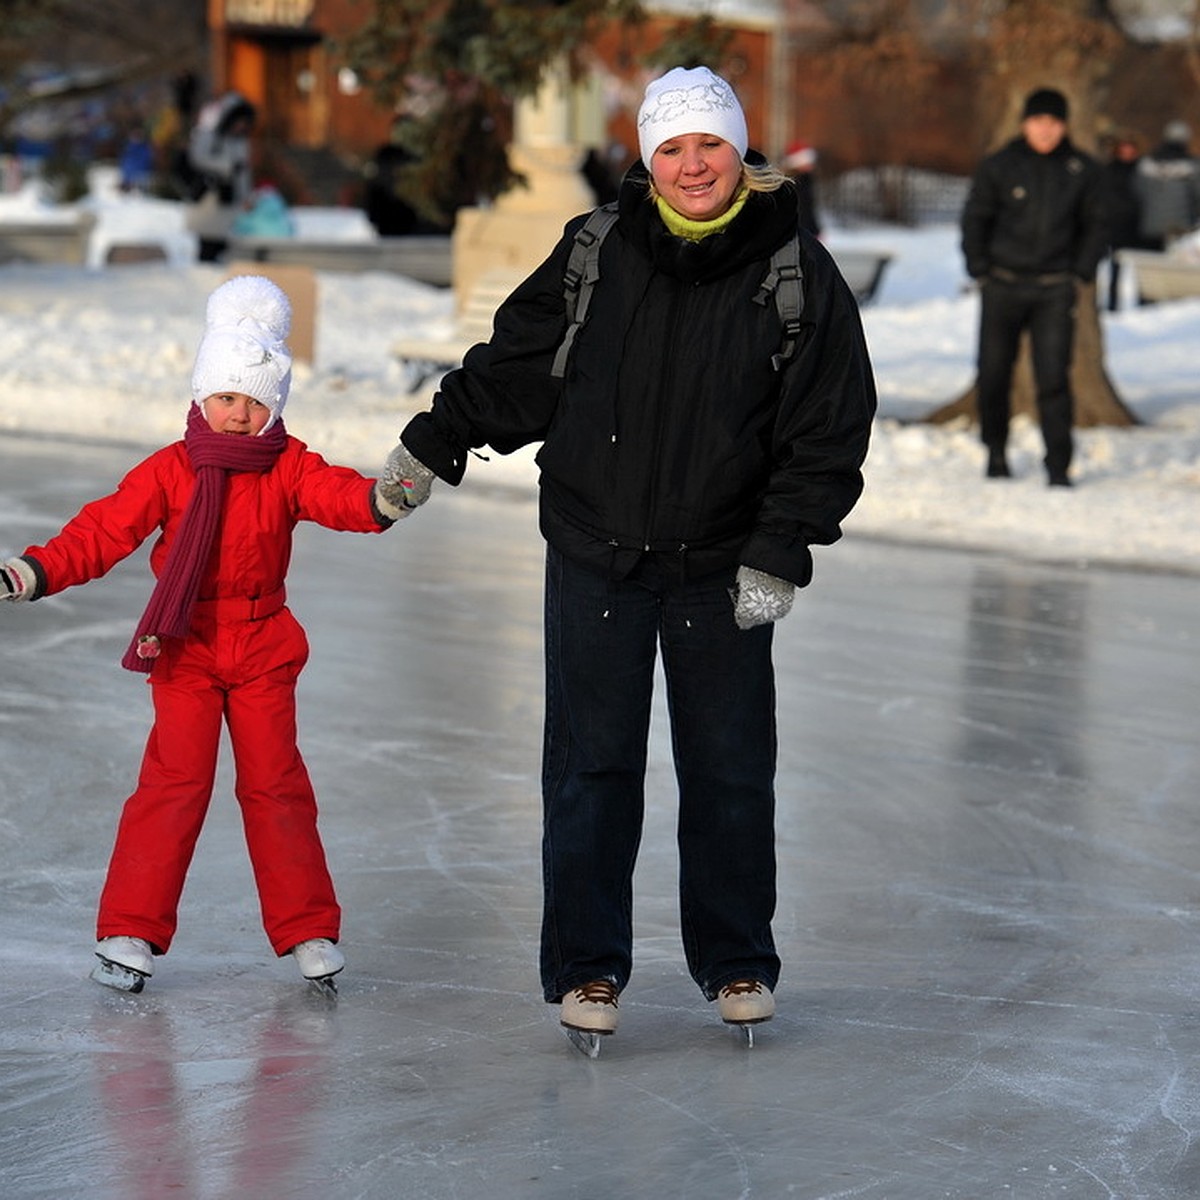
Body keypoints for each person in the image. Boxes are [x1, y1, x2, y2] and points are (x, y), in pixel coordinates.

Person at [390, 65, 876, 1049]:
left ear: (739, 151)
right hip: (593, 552)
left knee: (731, 772)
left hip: (723, 563)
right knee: (591, 769)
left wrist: (781, 547)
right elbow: (520, 365)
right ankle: (588, 967)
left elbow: (827, 427)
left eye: (710, 144)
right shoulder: (595, 251)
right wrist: (433, 444)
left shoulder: (796, 269)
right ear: (647, 159)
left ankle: (737, 958)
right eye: (673, 147)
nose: (693, 164)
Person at [0, 275, 431, 994]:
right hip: (188, 645)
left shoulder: (287, 465)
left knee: (276, 786)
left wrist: (383, 498)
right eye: (226, 397)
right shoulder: (173, 469)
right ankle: (129, 930)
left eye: (254, 400)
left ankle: (308, 929)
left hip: (263, 645)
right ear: (203, 397)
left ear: (274, 406)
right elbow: (105, 529)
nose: (237, 414)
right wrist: (35, 569)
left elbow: (337, 496)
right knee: (173, 784)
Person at [960, 86, 1107, 487]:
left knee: (1054, 378)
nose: (1046, 130)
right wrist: (979, 266)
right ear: (1025, 123)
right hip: (1002, 286)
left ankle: (1057, 464)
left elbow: (1097, 224)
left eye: (1054, 122)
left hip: (1054, 289)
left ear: (1064, 126)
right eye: (1039, 121)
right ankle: (995, 452)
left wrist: (1082, 270)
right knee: (992, 373)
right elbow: (975, 217)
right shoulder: (999, 165)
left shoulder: (1082, 169)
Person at [1133, 119, 1200, 251]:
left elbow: (1137, 192)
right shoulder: (1193, 167)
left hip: (1147, 227)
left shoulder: (1145, 164)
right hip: (1180, 229)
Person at [1102, 134, 1143, 311]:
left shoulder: (1142, 169)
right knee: (1115, 269)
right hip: (1117, 226)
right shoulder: (1109, 170)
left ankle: (1143, 305)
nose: (1127, 152)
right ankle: (1112, 305)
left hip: (1137, 226)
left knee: (1140, 268)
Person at [782, 139, 822, 236]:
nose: (811, 165)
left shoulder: (806, 181)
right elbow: (802, 209)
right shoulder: (794, 184)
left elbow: (808, 208)